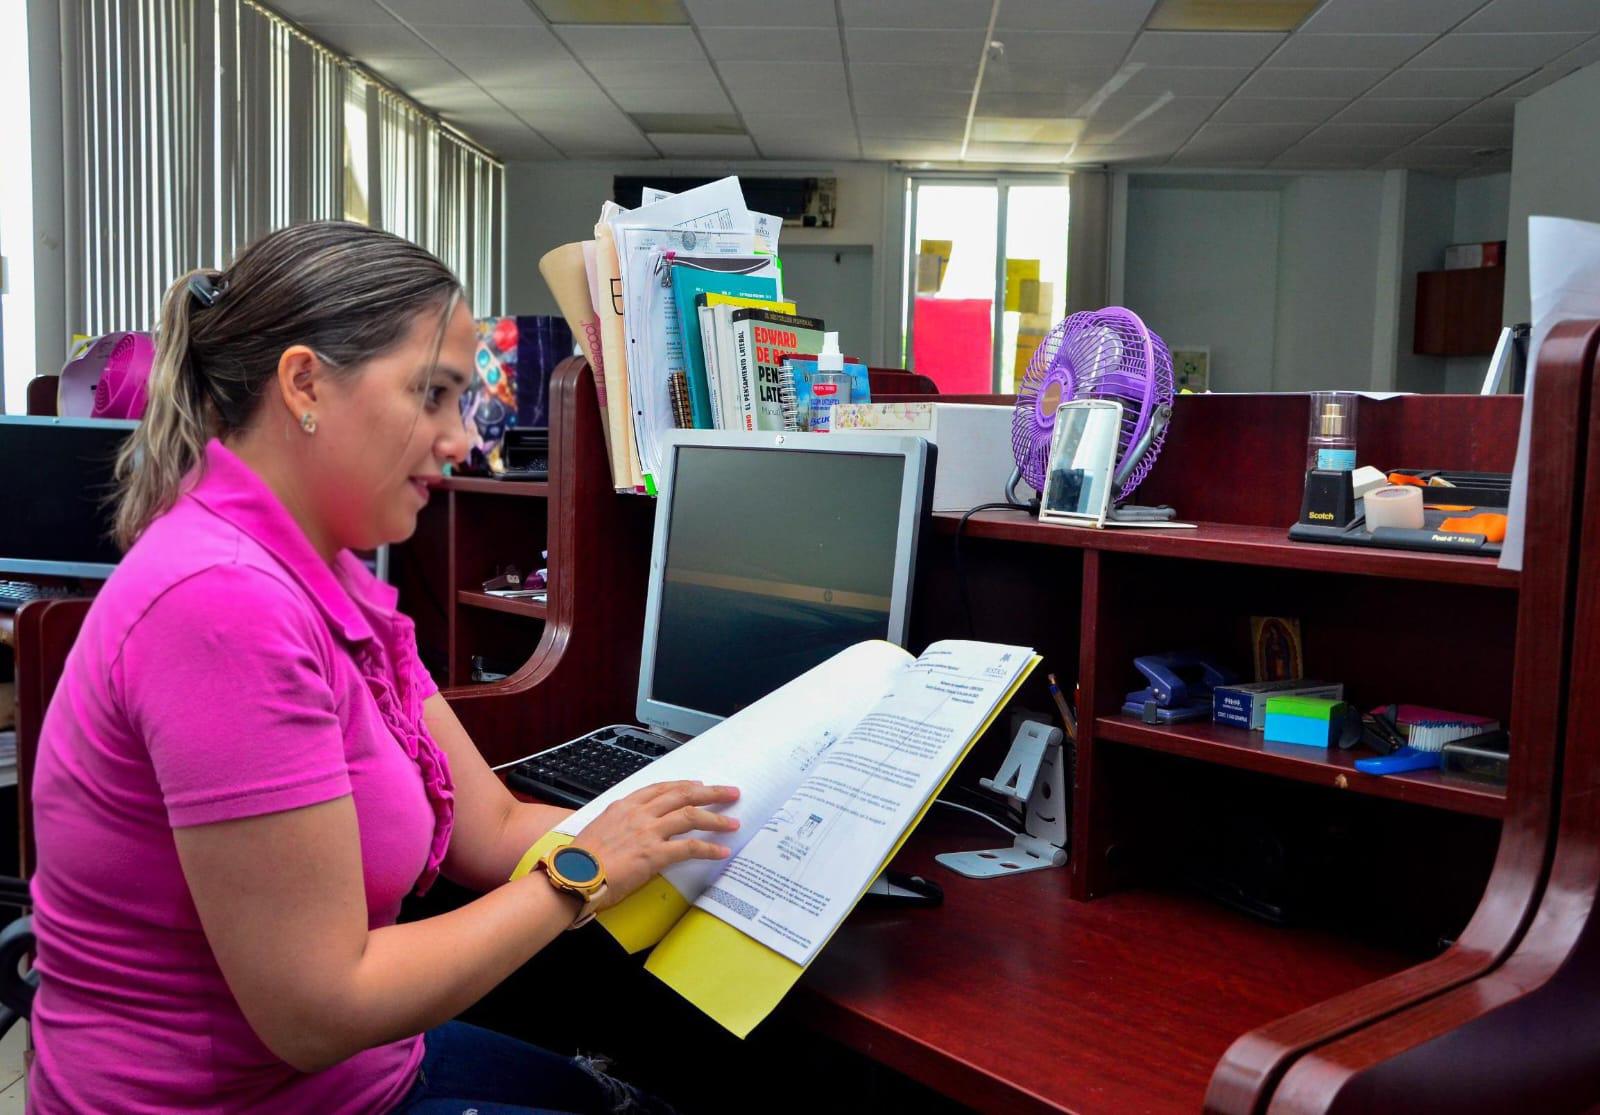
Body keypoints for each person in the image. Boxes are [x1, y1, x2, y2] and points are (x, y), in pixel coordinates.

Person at [28, 221, 740, 1114]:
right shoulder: (222, 602)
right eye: (431, 394)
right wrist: (583, 872)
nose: (461, 438)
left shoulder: (321, 573)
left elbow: (493, 826)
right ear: (304, 384)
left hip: (350, 1071)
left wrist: (702, 841)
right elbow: (319, 1009)